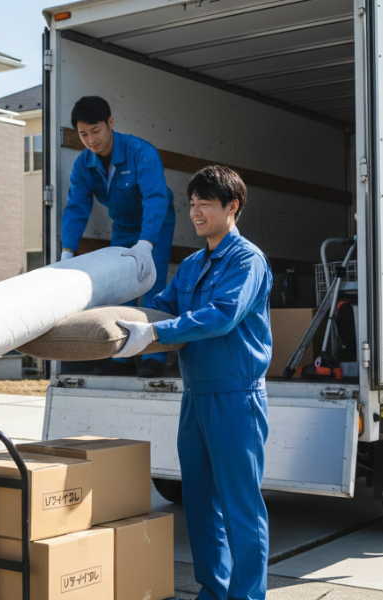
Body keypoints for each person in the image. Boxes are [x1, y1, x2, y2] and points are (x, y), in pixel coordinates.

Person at [114, 166, 272, 600]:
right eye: (192, 204)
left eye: (205, 203)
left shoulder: (247, 261)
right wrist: (118, 324)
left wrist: (159, 335)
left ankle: (247, 595)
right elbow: (161, 309)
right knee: (200, 503)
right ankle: (214, 589)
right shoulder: (191, 265)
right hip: (197, 397)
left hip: (236, 397)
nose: (196, 212)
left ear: (232, 207)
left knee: (241, 506)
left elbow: (223, 314)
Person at [61, 95, 176, 377]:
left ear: (110, 123)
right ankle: (122, 356)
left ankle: (155, 356)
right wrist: (67, 252)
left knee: (151, 285)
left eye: (96, 131)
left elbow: (156, 198)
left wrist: (146, 243)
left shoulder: (141, 152)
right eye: (83, 134)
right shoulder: (83, 165)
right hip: (123, 226)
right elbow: (76, 207)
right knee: (121, 288)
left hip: (155, 224)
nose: (91, 140)